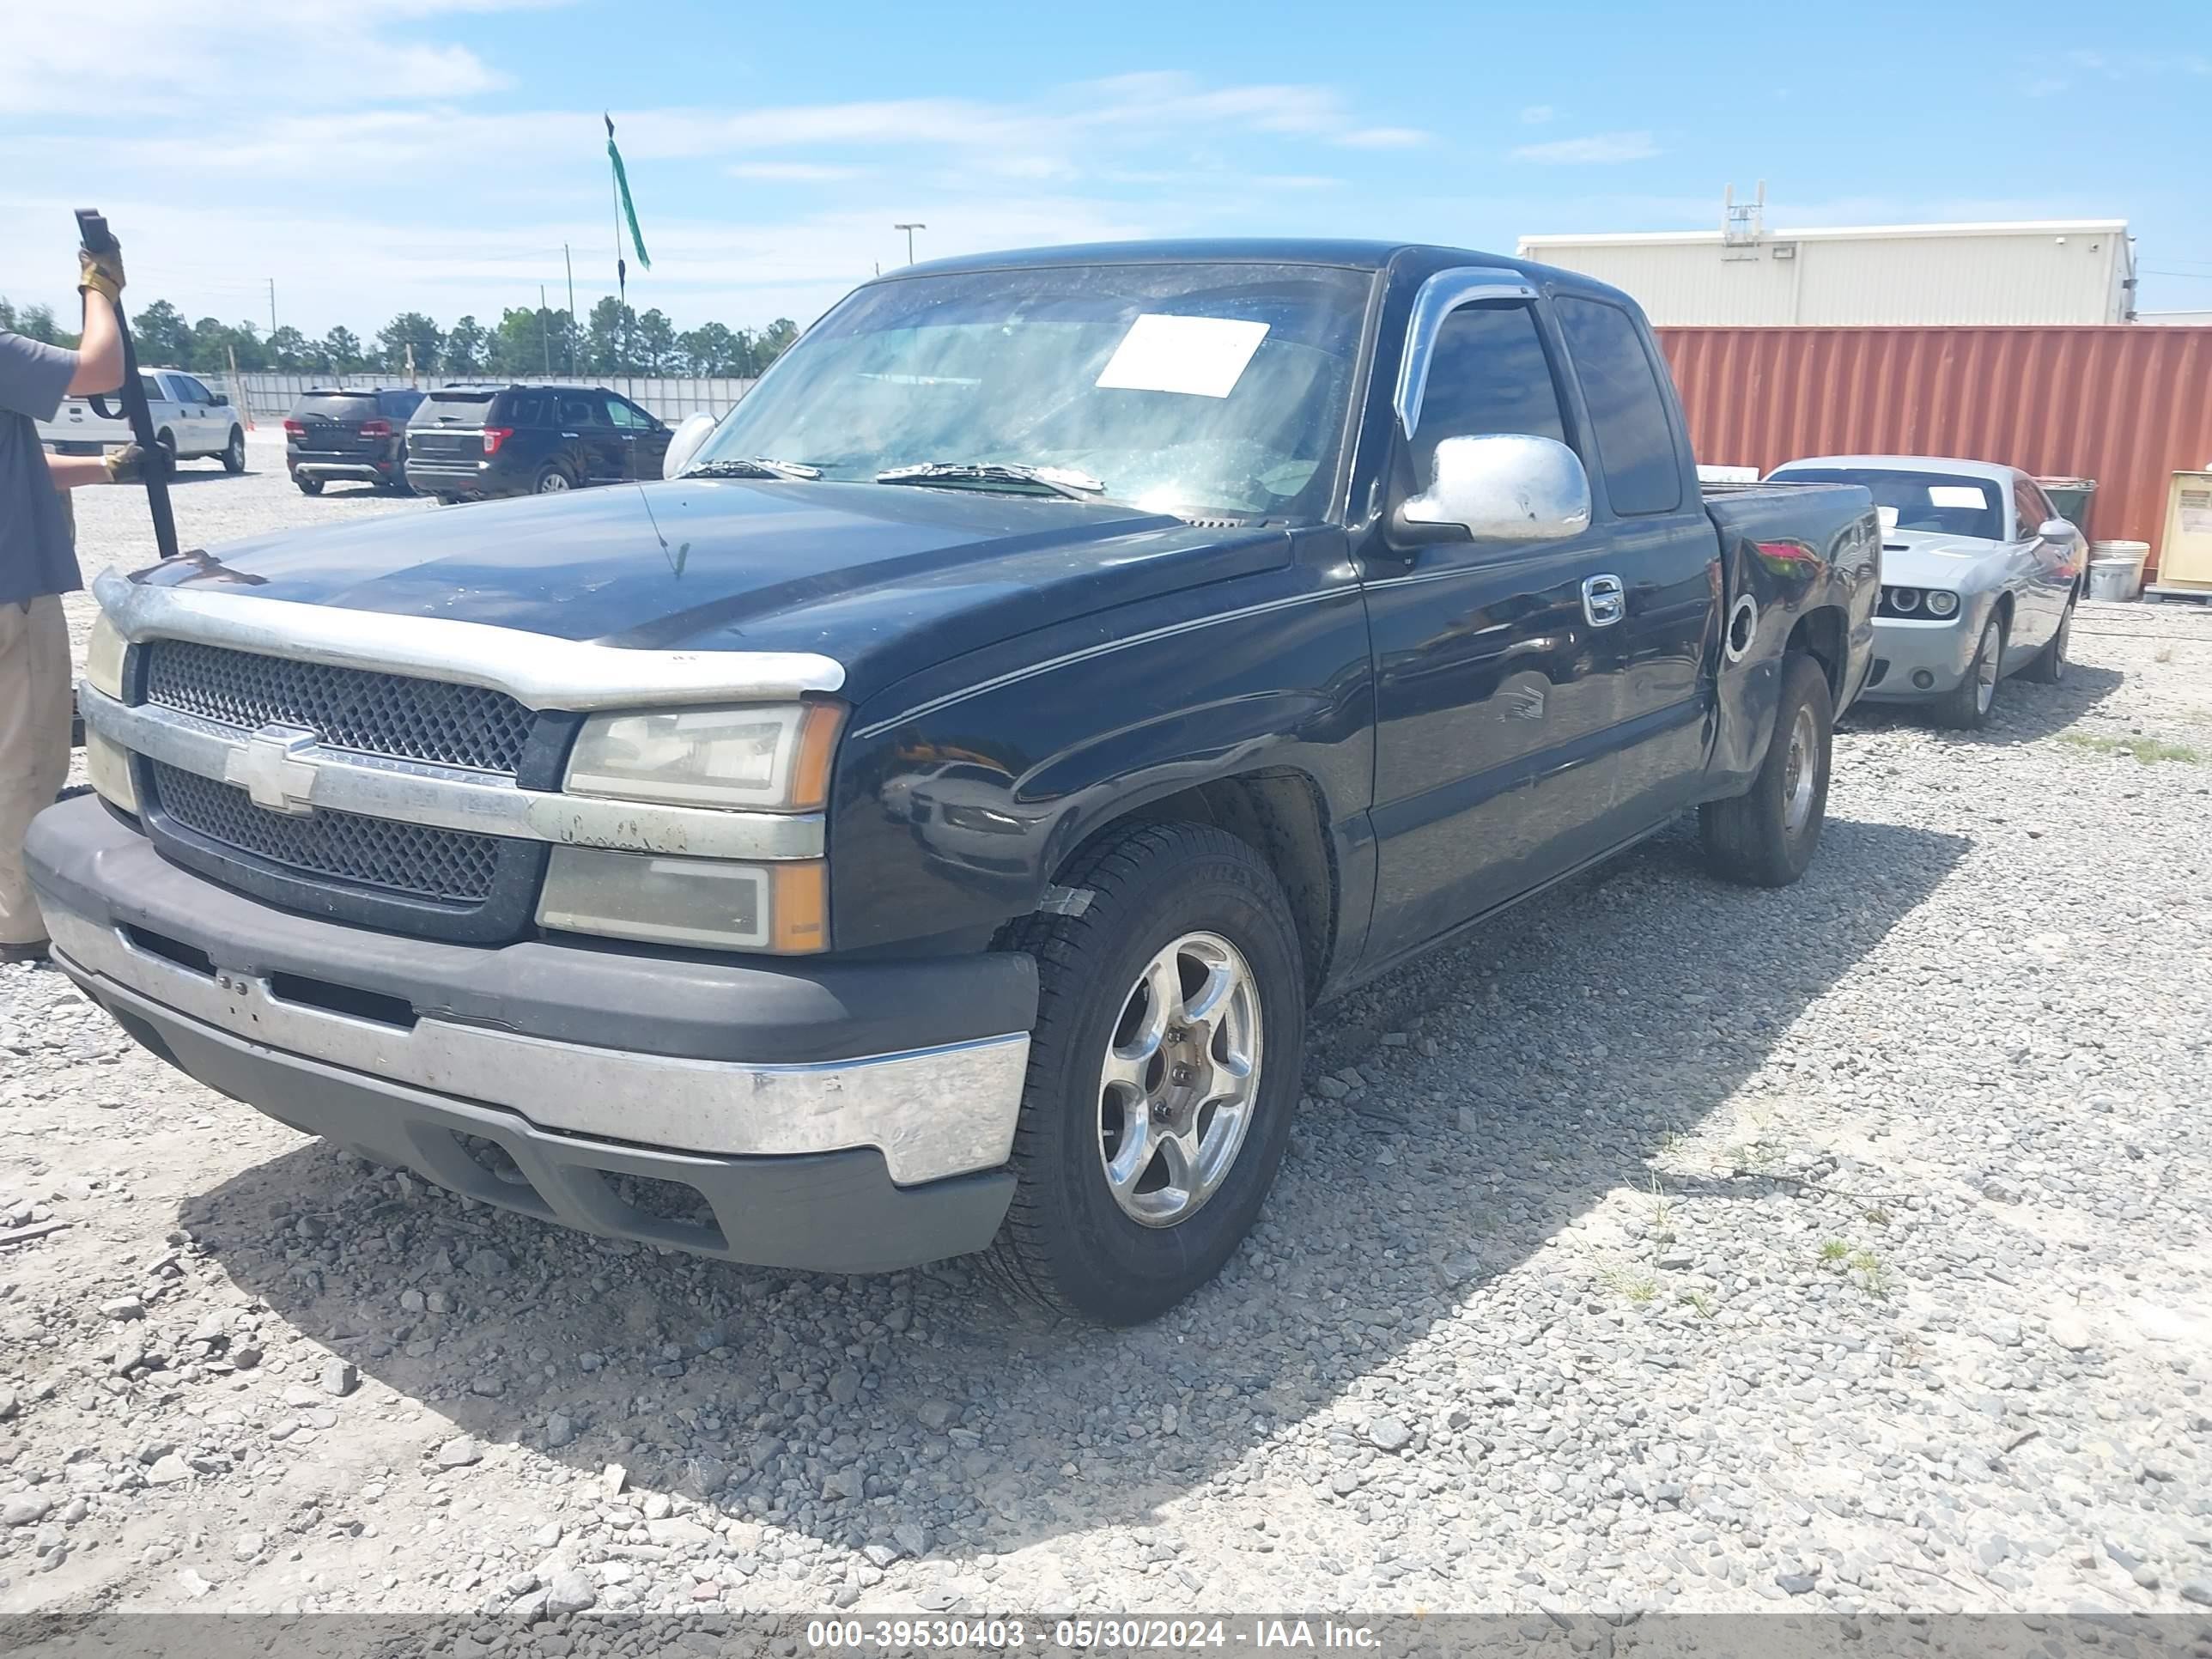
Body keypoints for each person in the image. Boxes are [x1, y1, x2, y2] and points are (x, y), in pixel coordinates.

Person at [1, 237, 147, 965]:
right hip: (9, 592)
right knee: (22, 758)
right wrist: (100, 291)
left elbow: (16, 464)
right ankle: (21, 922)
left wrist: (104, 468)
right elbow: (100, 369)